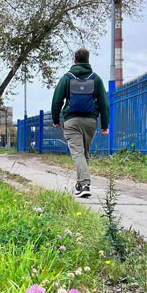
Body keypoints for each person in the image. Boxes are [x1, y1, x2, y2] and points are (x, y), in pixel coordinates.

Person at [51, 48, 109, 198]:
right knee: (84, 153)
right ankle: (81, 184)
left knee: (78, 153)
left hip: (72, 121)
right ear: (88, 60)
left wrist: (56, 120)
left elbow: (57, 100)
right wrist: (104, 125)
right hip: (90, 121)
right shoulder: (95, 78)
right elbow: (104, 103)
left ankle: (84, 184)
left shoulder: (67, 78)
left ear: (74, 59)